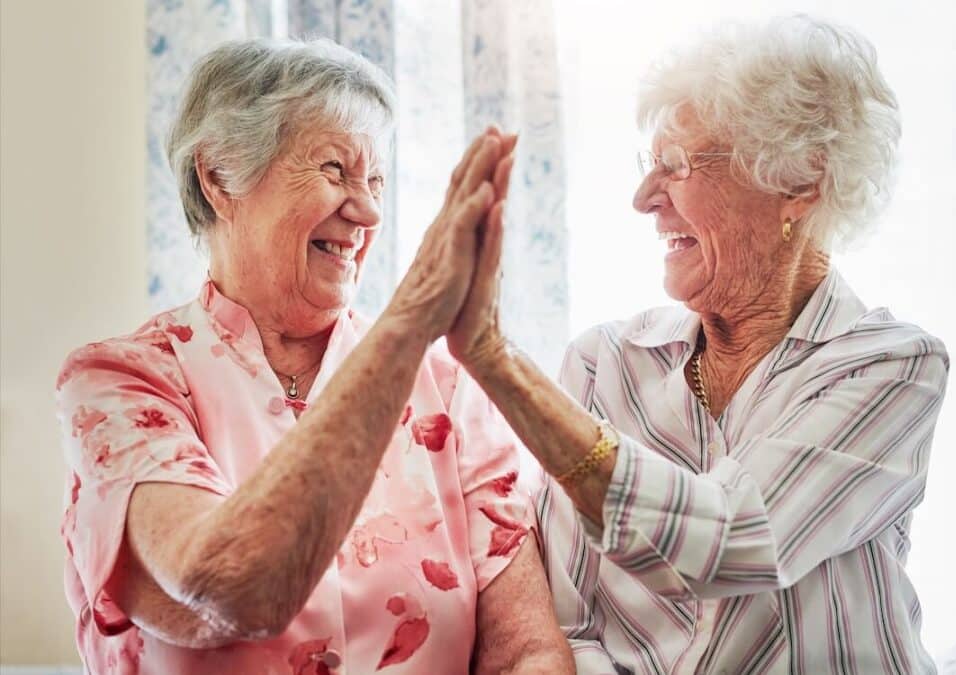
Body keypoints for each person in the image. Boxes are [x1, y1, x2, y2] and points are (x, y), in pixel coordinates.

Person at [448, 15, 949, 674]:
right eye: (648, 164)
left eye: (677, 165)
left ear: (798, 182)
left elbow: (733, 538)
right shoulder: (602, 365)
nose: (643, 198)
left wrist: (496, 359)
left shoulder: (890, 366)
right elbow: (574, 627)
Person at [56, 38, 571, 674]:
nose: (369, 211)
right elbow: (227, 590)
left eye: (376, 179)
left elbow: (528, 652)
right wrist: (412, 320)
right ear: (218, 175)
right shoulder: (124, 382)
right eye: (334, 171)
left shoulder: (452, 394)